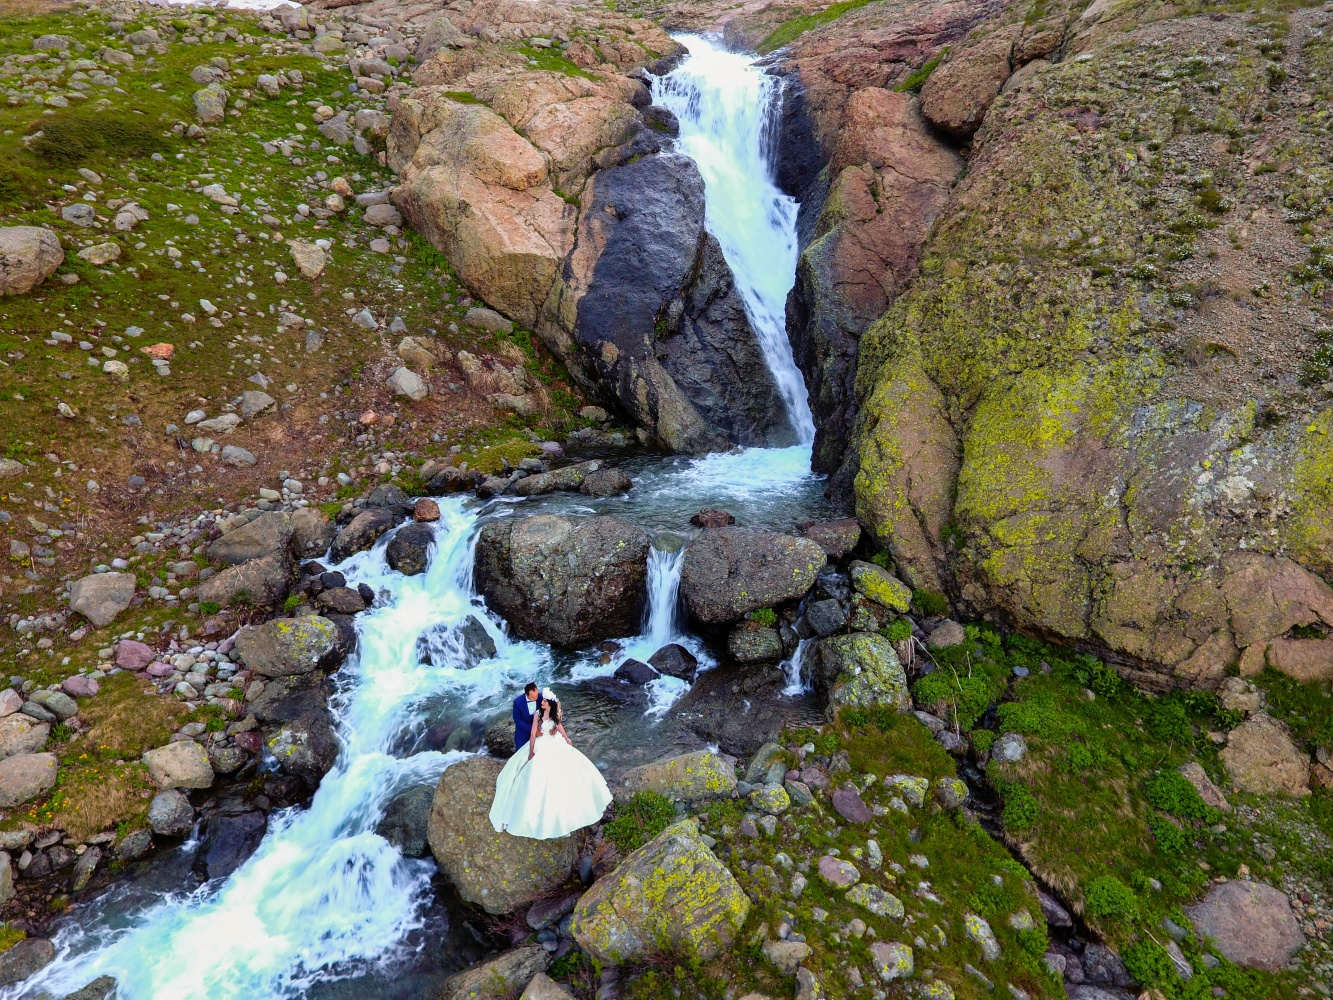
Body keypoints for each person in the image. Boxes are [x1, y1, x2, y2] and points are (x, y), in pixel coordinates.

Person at [490, 688, 613, 840]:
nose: (541, 702)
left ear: (550, 704)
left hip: (554, 742)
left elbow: (558, 726)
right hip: (541, 743)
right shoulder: (537, 714)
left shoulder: (555, 714)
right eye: (541, 700)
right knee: (536, 772)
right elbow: (533, 732)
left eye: (543, 701)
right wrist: (530, 751)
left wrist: (566, 738)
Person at [512, 681, 539, 753]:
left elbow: (553, 703)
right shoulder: (517, 702)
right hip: (522, 733)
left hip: (538, 732)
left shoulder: (541, 697)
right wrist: (532, 730)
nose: (536, 698)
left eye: (536, 695)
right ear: (526, 694)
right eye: (533, 697)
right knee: (520, 753)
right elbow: (517, 720)